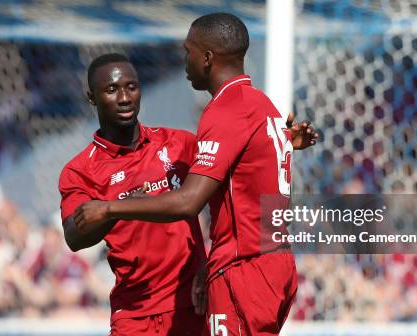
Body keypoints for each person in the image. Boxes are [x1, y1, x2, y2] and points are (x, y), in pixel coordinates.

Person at [73, 13, 319, 335]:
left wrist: (109, 206)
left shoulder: (225, 111)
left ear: (206, 58)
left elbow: (189, 201)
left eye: (187, 52)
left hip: (244, 269)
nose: (184, 62)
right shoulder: (262, 105)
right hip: (272, 263)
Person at [59, 53, 207, 335]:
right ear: (92, 98)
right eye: (112, 90)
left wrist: (282, 140)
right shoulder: (80, 170)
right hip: (135, 314)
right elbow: (74, 237)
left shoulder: (180, 144)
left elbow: (228, 184)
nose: (125, 97)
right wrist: (117, 207)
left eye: (132, 87)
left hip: (193, 303)